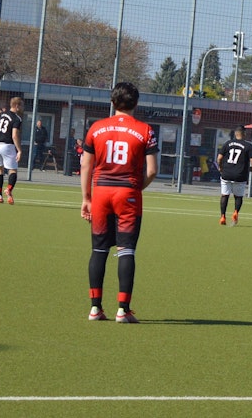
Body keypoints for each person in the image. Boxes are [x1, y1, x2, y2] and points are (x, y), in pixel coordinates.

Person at [81, 81, 158, 323]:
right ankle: (123, 310)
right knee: (127, 251)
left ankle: (95, 308)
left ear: (112, 102)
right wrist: (135, 187)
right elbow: (153, 170)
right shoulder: (145, 130)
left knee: (99, 250)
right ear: (136, 103)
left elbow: (86, 164)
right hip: (129, 195)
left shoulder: (96, 128)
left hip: (101, 191)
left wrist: (86, 198)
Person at [216, 126, 252, 226]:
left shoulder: (227, 143)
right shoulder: (248, 146)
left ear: (235, 133)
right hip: (240, 175)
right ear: (244, 133)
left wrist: (220, 167)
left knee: (225, 195)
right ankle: (235, 212)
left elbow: (219, 158)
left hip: (226, 173)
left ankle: (222, 216)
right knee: (238, 196)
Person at [0, 97, 24, 204]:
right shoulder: (17, 118)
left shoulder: (1, 114)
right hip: (7, 145)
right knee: (12, 170)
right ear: (17, 106)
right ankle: (9, 189)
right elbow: (14, 135)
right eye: (22, 105)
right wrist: (19, 150)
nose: (23, 108)